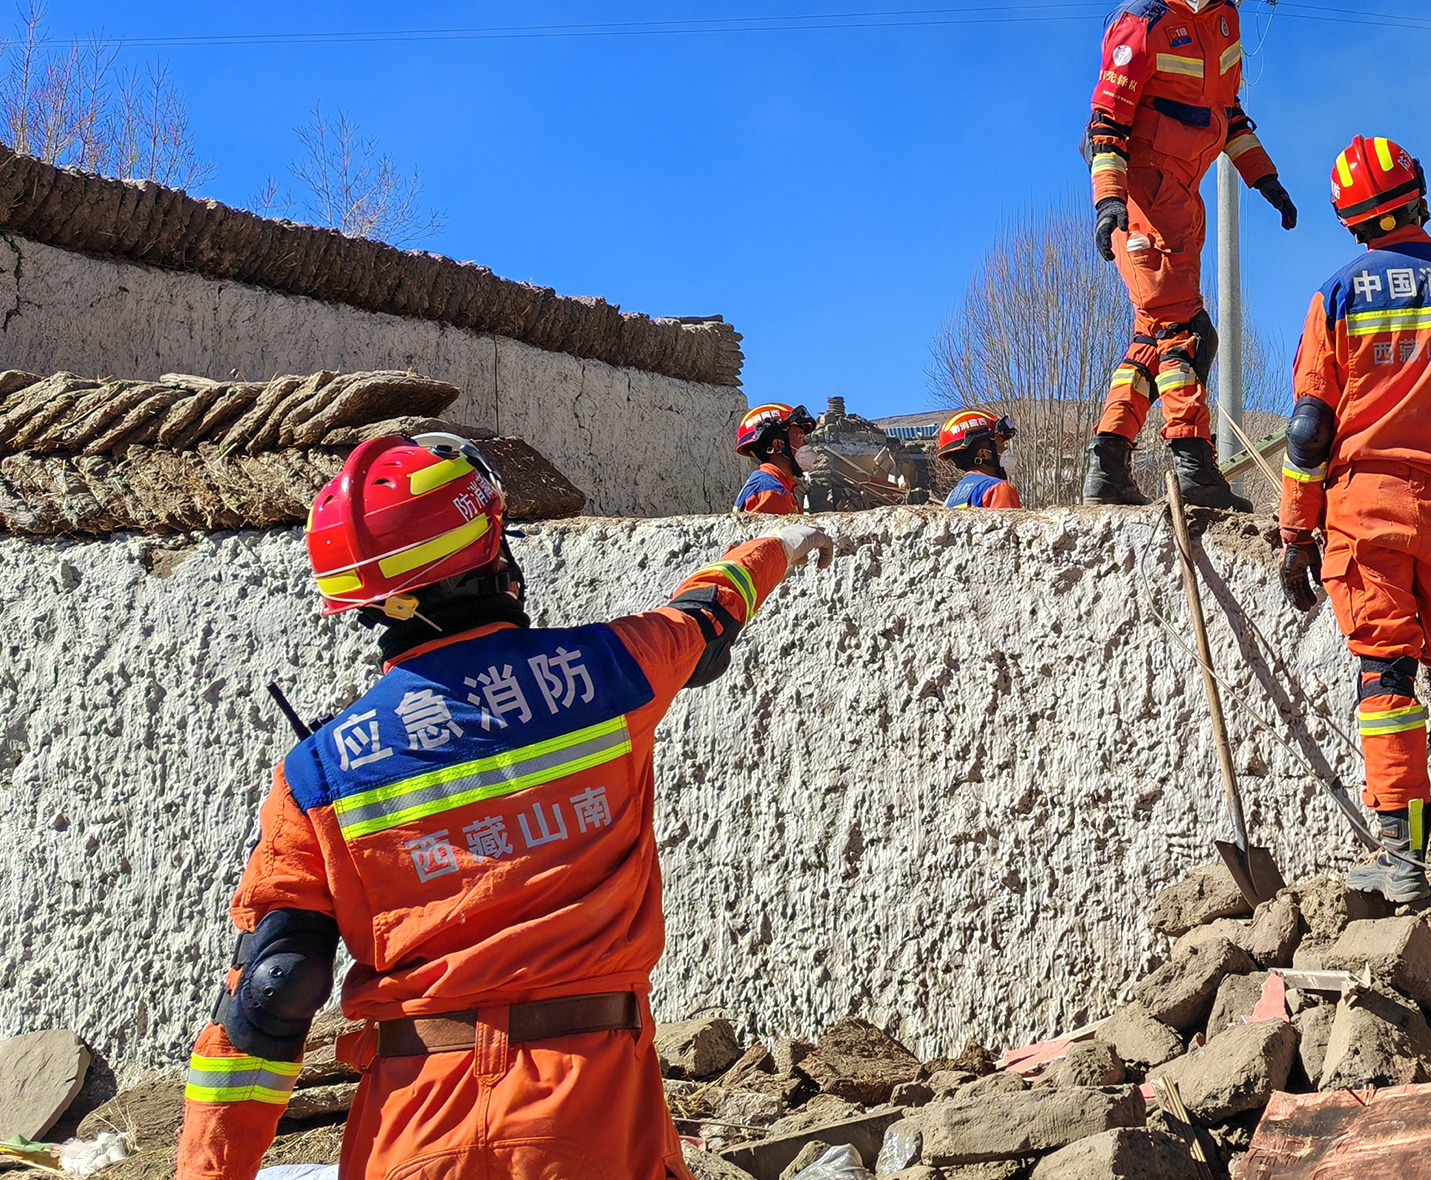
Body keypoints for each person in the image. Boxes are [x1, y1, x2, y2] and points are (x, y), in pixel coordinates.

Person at [177, 433, 833, 1180]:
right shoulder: (609, 669)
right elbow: (706, 614)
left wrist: (209, 1172)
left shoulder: (317, 772)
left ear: (366, 604)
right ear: (494, 554)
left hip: (409, 1124)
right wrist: (773, 546)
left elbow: (274, 989)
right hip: (589, 1111)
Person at [1277, 136, 1431, 902]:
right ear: (1418, 193)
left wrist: (1294, 532)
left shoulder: (1337, 295)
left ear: (1349, 221)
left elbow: (1308, 432)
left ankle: (1402, 859)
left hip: (1365, 511)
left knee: (1385, 675)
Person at [1081, 0, 1299, 511]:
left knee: (1151, 338)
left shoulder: (1226, 19)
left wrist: (1264, 178)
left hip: (1184, 195)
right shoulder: (1140, 24)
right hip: (1144, 191)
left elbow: (1227, 115)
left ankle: (1108, 463)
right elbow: (1106, 124)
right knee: (1186, 332)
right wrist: (1109, 202)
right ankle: (1193, 462)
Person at [732, 402, 814, 515]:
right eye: (800, 437)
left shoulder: (777, 485)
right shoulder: (770, 491)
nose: (805, 445)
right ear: (778, 444)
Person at [936, 407, 1021, 508]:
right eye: (1001, 445)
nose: (1005, 450)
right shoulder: (997, 489)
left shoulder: (951, 497)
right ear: (983, 454)